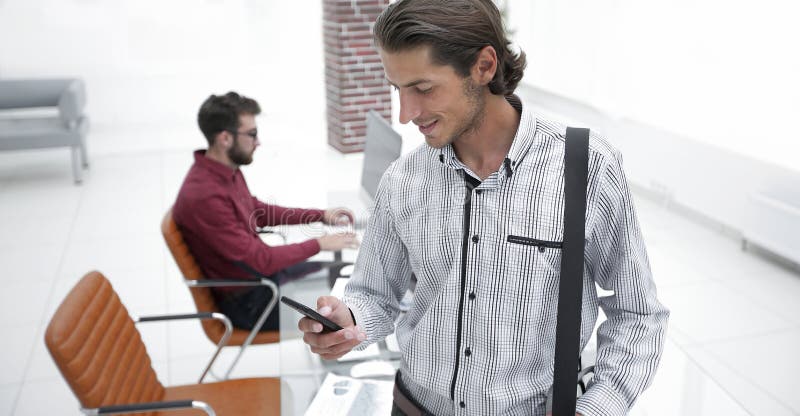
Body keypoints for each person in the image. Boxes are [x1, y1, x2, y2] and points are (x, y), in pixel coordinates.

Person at [298, 0, 669, 415]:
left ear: (484, 66)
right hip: (413, 406)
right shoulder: (402, 180)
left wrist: (598, 407)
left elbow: (638, 314)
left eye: (423, 88)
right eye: (397, 89)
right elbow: (374, 294)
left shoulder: (586, 167)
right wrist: (349, 320)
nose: (406, 114)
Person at [173, 91, 359, 332]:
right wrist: (320, 244)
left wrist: (320, 215)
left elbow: (257, 211)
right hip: (252, 303)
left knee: (347, 276)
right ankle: (346, 354)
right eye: (252, 134)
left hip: (262, 282)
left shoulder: (223, 170)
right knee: (353, 299)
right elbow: (261, 260)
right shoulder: (205, 196)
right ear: (225, 138)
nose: (258, 142)